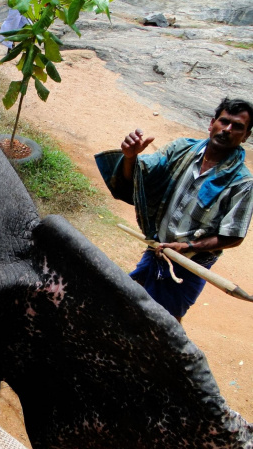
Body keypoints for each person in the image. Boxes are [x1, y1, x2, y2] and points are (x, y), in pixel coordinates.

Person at [95, 97, 253, 322]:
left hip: (190, 266)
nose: (227, 129)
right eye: (224, 121)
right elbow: (139, 178)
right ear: (212, 123)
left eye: (237, 126)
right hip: (158, 249)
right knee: (128, 301)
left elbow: (233, 236)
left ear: (245, 136)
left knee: (164, 323)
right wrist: (130, 158)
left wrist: (188, 246)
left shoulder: (242, 183)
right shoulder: (181, 149)